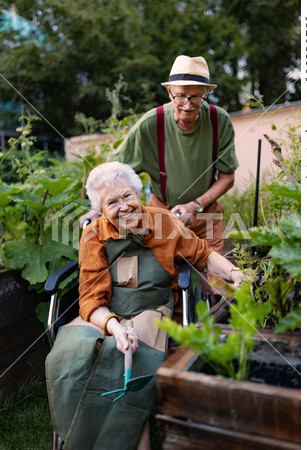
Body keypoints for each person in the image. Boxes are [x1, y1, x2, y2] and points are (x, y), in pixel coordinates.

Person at [47, 162, 247, 450]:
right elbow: (91, 300)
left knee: (132, 354)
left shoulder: (163, 221)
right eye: (112, 202)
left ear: (138, 194)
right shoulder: (94, 235)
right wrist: (114, 327)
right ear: (101, 210)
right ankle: (76, 436)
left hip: (151, 311)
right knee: (70, 351)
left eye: (127, 196)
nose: (124, 206)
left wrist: (235, 274)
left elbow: (202, 254)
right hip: (105, 314)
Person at [80, 55, 238, 254]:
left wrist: (194, 205)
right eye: (180, 96)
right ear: (169, 91)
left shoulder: (219, 121)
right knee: (164, 279)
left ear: (206, 93)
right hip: (161, 214)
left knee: (213, 278)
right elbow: (110, 173)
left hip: (205, 214)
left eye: (196, 97)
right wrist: (96, 209)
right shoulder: (151, 124)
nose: (187, 105)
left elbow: (227, 177)